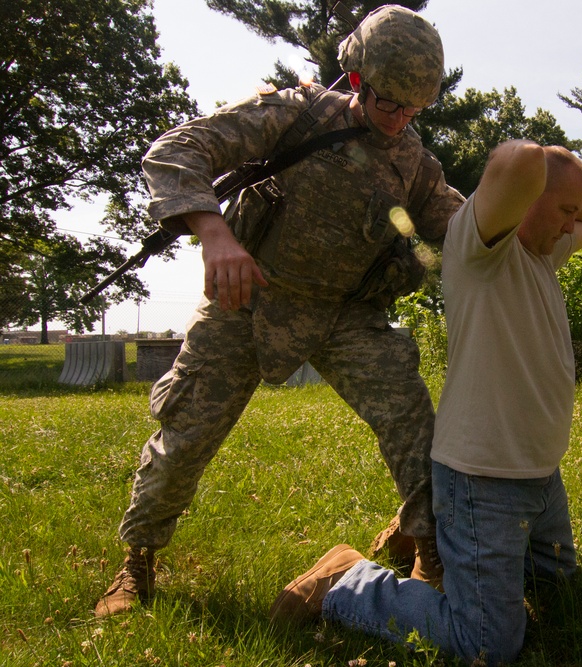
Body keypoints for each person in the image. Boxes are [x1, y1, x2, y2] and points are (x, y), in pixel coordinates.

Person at [94, 5, 464, 617]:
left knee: (412, 422)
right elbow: (177, 149)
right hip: (250, 299)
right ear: (356, 82)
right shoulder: (295, 115)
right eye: (388, 105)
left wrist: (526, 216)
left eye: (413, 110)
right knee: (186, 434)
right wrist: (215, 235)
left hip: (345, 315)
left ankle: (427, 547)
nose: (399, 122)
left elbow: (461, 227)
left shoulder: (413, 163)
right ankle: (137, 561)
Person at [269, 140, 582, 666]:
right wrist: (549, 176)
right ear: (526, 200)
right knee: (487, 644)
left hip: (540, 479)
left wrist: (568, 189)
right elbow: (516, 164)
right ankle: (349, 580)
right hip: (486, 483)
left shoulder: (546, 251)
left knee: (561, 591)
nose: (573, 225)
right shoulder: (479, 250)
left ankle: (446, 547)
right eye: (565, 211)